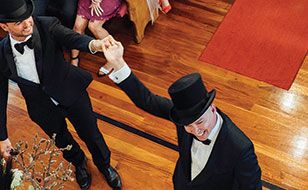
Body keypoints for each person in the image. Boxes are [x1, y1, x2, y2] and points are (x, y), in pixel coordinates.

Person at [0, 0, 122, 189]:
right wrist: (2, 136)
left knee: (92, 135)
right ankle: (79, 163)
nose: (27, 23)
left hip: (71, 93)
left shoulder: (47, 25)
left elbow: (73, 38)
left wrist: (96, 45)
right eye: (18, 22)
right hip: (42, 109)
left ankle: (105, 165)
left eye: (27, 16)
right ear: (5, 27)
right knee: (63, 142)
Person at [102, 33, 262, 189]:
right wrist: (119, 63)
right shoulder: (183, 117)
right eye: (188, 126)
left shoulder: (241, 148)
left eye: (200, 122)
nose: (196, 131)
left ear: (212, 109)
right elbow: (147, 100)